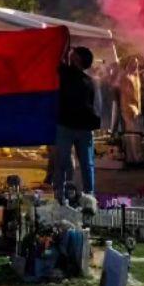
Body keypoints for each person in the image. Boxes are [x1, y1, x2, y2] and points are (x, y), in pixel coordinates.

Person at [54, 46, 101, 202]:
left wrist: (63, 46)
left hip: (67, 126)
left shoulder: (65, 74)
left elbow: (57, 60)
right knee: (86, 164)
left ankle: (62, 194)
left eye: (73, 54)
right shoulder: (89, 81)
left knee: (63, 162)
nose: (70, 55)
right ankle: (89, 196)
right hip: (83, 127)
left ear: (77, 59)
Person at [119, 56, 144, 165]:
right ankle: (132, 157)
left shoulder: (136, 77)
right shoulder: (126, 77)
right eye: (133, 63)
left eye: (137, 63)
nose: (135, 65)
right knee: (131, 134)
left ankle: (137, 156)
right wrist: (128, 109)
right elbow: (124, 96)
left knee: (137, 135)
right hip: (129, 109)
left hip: (137, 110)